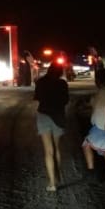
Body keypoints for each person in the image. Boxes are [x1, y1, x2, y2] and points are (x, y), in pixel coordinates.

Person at [33, 61, 69, 192]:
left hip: (43, 116)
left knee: (48, 151)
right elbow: (66, 101)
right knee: (57, 148)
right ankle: (58, 176)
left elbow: (37, 98)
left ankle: (52, 183)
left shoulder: (41, 82)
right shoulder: (62, 84)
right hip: (58, 117)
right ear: (60, 72)